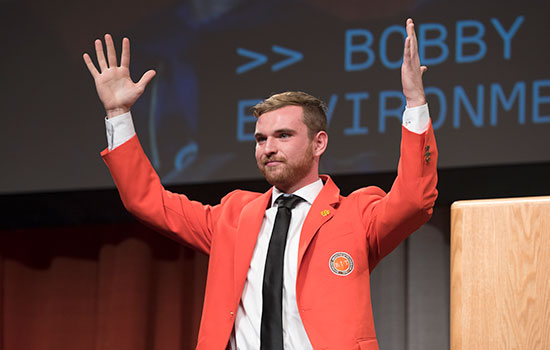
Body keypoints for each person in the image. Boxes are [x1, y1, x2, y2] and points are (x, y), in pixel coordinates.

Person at [84, 18, 438, 350]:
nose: (268, 148)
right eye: (260, 139)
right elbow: (145, 200)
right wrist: (118, 114)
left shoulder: (356, 214)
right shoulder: (233, 216)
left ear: (319, 143)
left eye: (283, 135)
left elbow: (414, 201)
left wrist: (415, 104)